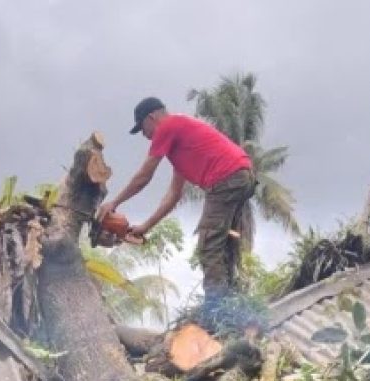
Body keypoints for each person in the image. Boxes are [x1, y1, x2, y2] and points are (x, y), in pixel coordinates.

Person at [98, 97, 256, 295]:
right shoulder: (181, 143)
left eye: (142, 128)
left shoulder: (169, 126)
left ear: (151, 117)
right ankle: (231, 297)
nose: (144, 135)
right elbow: (173, 195)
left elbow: (144, 176)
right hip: (242, 177)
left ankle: (217, 307)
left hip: (226, 178)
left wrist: (114, 202)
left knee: (209, 245)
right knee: (226, 242)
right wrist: (146, 226)